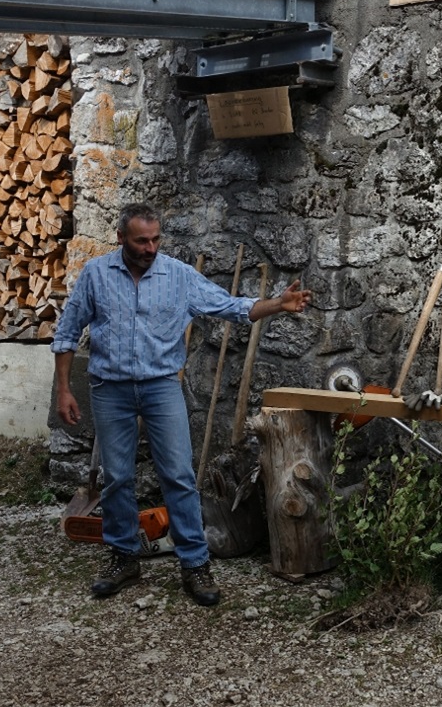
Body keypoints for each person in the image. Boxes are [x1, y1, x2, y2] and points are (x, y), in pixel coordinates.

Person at [51, 203, 312, 606]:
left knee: (178, 476)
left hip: (161, 387)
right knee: (116, 477)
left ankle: (194, 564)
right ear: (120, 238)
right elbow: (67, 331)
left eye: (156, 239)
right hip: (110, 389)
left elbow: (232, 307)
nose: (150, 248)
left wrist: (277, 304)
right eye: (141, 241)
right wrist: (64, 390)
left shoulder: (178, 275)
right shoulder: (96, 275)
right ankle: (124, 556)